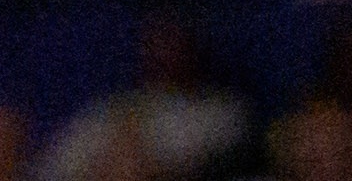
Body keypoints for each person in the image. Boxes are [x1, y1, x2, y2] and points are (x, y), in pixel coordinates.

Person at [39, 18, 251, 181]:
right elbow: (55, 167)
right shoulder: (114, 109)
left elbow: (205, 166)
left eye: (171, 42)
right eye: (153, 44)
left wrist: (145, 164)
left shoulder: (220, 113)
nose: (162, 54)